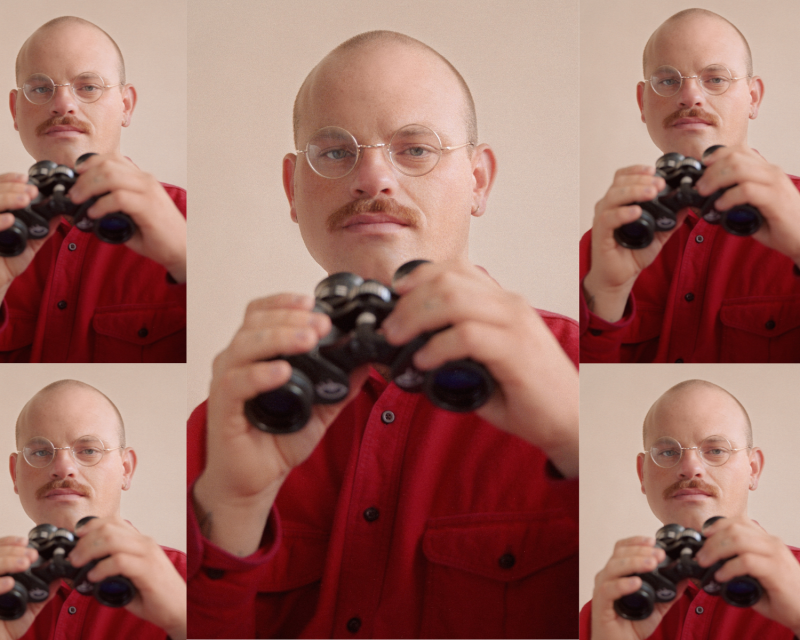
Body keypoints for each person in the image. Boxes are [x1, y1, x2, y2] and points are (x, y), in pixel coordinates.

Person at [187, 30, 579, 639]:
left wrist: (578, 441)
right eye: (335, 153)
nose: (373, 179)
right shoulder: (233, 418)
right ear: (293, 188)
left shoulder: (582, 379)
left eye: (415, 148)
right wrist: (233, 515)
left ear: (478, 179)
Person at [580, 9, 800, 363]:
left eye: (715, 79)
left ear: (753, 98)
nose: (690, 96)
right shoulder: (606, 241)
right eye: (668, 81)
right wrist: (606, 295)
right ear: (642, 102)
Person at [0, 16, 186, 362]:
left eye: (88, 86)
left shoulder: (188, 221)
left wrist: (185, 260)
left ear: (125, 106)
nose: (63, 104)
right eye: (41, 88)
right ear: (15, 109)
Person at [582, 379, 800, 639]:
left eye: (716, 450)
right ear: (642, 473)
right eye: (667, 453)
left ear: (752, 469)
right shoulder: (609, 610)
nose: (690, 467)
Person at [1, 379, 187, 640]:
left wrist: (184, 624)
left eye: (88, 450)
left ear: (126, 469)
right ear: (14, 474)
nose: (63, 468)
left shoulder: (189, 583)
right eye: (41, 452)